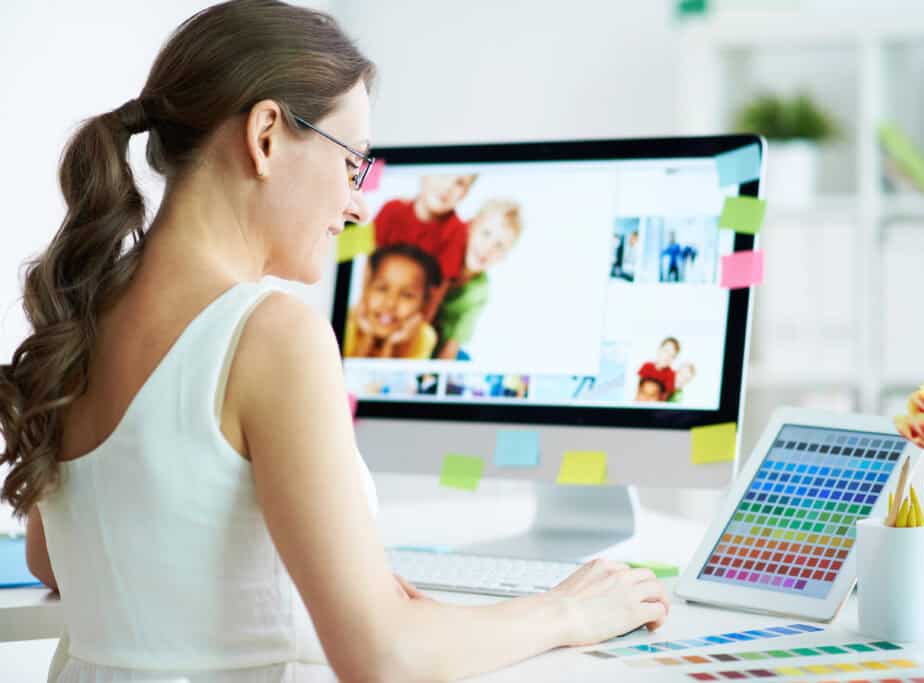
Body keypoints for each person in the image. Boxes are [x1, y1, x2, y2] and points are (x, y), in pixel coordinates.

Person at [0, 2, 668, 682]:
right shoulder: (271, 334)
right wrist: (564, 612)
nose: (357, 205)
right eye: (352, 165)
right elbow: (382, 658)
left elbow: (56, 559)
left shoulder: (86, 316)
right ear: (265, 136)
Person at [432, 199, 523, 360]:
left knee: (464, 361)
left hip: (440, 349)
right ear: (471, 227)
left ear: (504, 256)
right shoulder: (444, 253)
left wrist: (431, 373)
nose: (488, 248)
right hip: (416, 333)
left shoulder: (480, 291)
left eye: (499, 245)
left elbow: (452, 344)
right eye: (486, 234)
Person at [344, 243, 441, 359]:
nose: (390, 303)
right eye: (382, 288)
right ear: (367, 288)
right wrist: (367, 338)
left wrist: (391, 344)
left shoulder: (423, 336)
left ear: (423, 302)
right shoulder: (346, 323)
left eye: (407, 295)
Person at [373, 174, 477, 281]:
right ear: (423, 174)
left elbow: (442, 283)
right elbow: (368, 260)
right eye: (444, 174)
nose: (448, 186)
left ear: (465, 194)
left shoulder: (457, 231)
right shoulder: (392, 210)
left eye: (460, 183)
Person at [637, 337, 696, 402]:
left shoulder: (671, 375)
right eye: (666, 351)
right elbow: (637, 388)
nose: (667, 357)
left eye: (672, 356)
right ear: (659, 350)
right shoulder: (647, 366)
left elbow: (664, 398)